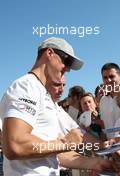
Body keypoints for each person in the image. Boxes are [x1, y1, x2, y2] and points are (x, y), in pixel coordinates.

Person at [0, 37, 85, 175]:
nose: (68, 68)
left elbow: (50, 151)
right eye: (66, 61)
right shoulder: (26, 86)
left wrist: (97, 163)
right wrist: (66, 143)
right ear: (49, 53)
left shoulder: (43, 93)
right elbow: (15, 144)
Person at [46, 76, 113, 174]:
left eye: (63, 85)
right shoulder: (71, 115)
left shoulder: (103, 116)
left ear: (95, 103)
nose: (62, 90)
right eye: (57, 85)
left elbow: (81, 135)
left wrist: (104, 145)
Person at [99, 63, 120, 139]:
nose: (108, 80)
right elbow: (104, 127)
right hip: (111, 147)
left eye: (112, 76)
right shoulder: (102, 101)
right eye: (105, 77)